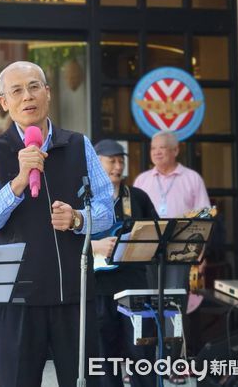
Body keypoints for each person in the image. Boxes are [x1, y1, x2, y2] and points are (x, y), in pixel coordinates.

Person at [0, 61, 114, 387]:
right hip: (16, 300)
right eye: (16, 91)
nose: (27, 96)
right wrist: (18, 183)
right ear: (5, 102)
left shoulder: (78, 145)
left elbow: (107, 211)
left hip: (74, 297)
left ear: (47, 93)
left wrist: (78, 218)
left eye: (34, 86)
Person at [91, 139, 158, 387]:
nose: (118, 166)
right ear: (96, 164)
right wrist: (94, 247)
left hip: (134, 287)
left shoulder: (138, 197)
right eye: (111, 161)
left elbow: (157, 235)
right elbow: (66, 241)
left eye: (121, 161)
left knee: (141, 354)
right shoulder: (85, 198)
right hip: (98, 288)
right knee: (102, 358)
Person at [133, 130, 210, 289]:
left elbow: (204, 218)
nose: (157, 152)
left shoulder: (192, 178)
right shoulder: (142, 180)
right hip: (148, 250)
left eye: (162, 148)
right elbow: (135, 219)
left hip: (182, 250)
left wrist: (200, 252)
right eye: (153, 148)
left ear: (175, 150)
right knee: (150, 300)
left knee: (175, 300)